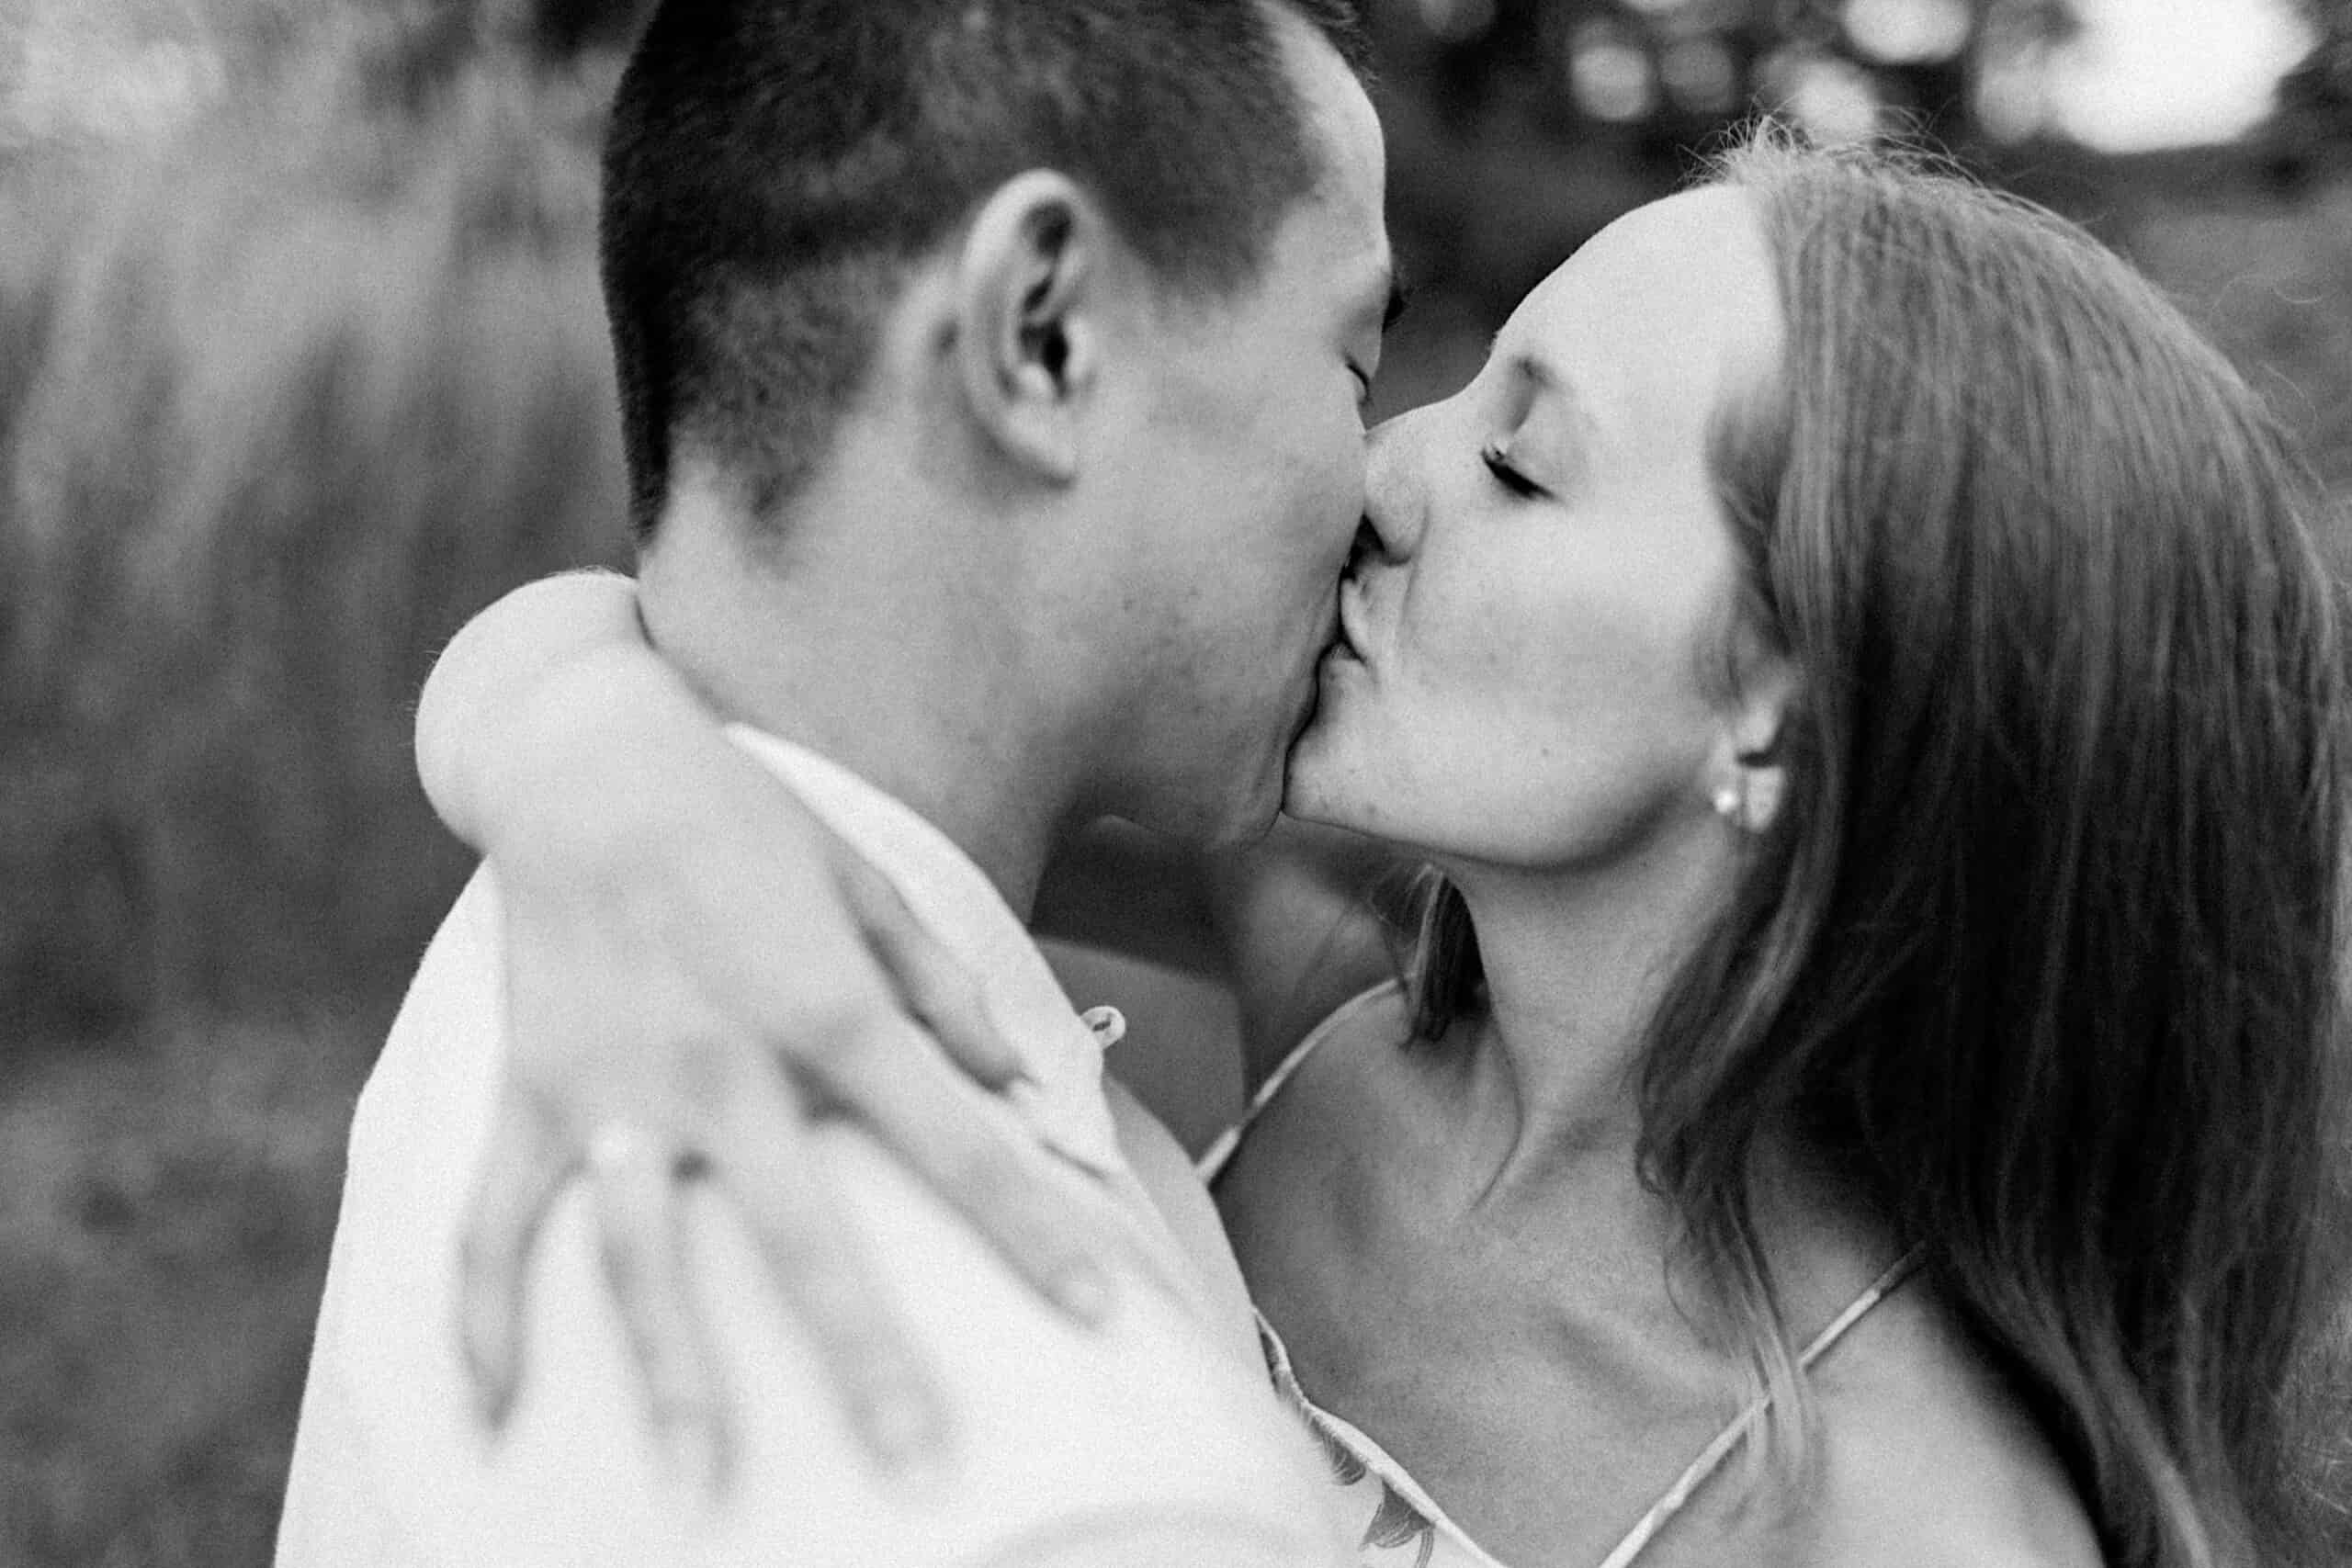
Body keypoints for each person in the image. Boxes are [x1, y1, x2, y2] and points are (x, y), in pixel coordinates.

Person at [419, 133, 2351, 1568]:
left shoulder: (1909, 1526)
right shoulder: (1309, 948)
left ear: (1792, 699)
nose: (1384, 470)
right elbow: (743, 652)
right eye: (1447, 383)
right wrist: (591, 765)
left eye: (1520, 464)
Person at [274, 1, 1396, 1563]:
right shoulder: (1104, 1488)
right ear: (1043, 337)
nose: (1384, 482)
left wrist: (563, 721)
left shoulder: (560, 918)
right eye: (1356, 362)